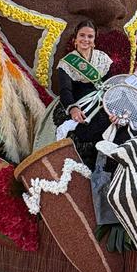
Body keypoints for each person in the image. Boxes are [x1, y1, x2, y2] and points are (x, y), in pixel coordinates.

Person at [53, 20, 115, 169]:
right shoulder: (67, 63)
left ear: (94, 40)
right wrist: (73, 109)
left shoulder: (103, 59)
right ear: (75, 38)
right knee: (85, 132)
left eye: (90, 36)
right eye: (82, 35)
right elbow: (65, 90)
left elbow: (109, 85)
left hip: (102, 103)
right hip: (79, 104)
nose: (85, 40)